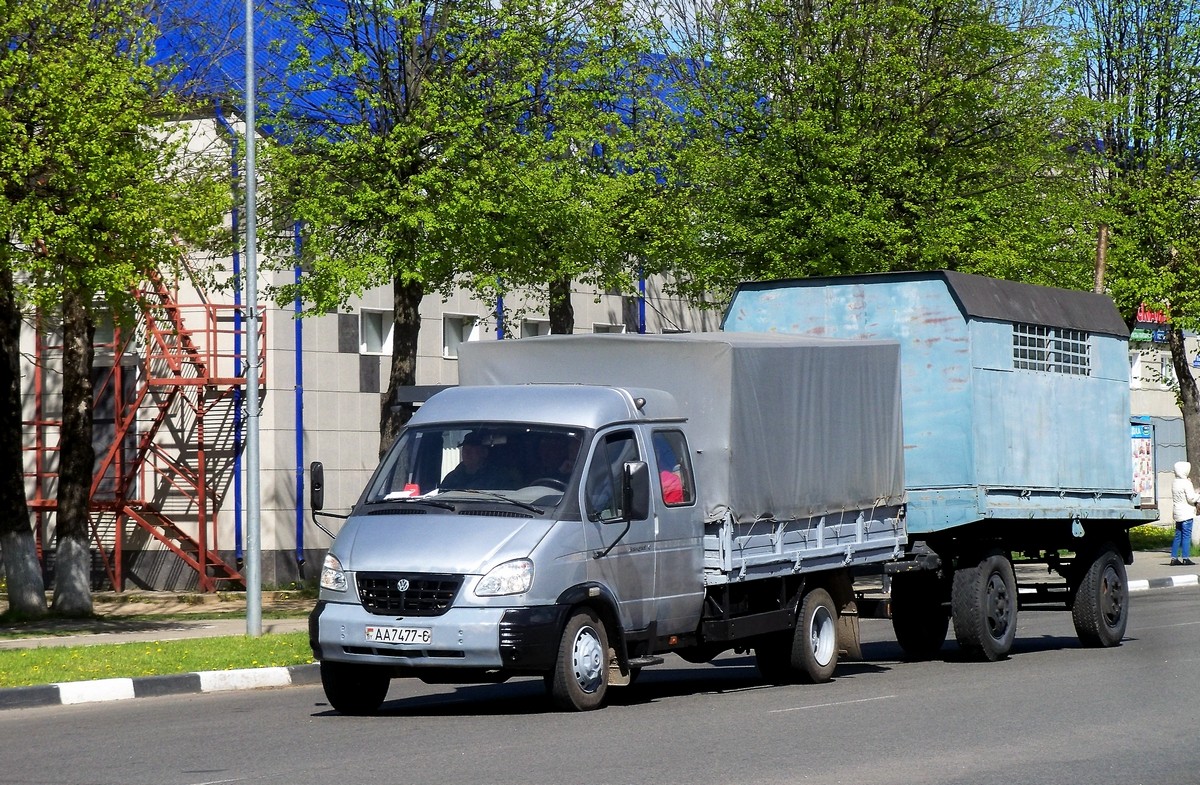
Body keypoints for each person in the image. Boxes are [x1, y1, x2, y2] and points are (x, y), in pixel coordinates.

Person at [441, 431, 515, 490]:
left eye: (471, 450)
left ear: (484, 453)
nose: (467, 454)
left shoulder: (498, 477)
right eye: (465, 450)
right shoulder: (452, 477)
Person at [1170, 461, 1198, 566]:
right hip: (1186, 513)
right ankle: (1185, 558)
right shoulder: (1186, 483)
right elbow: (1191, 498)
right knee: (1186, 536)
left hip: (1177, 512)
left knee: (1178, 535)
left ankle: (1174, 558)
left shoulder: (1175, 482)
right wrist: (1198, 495)